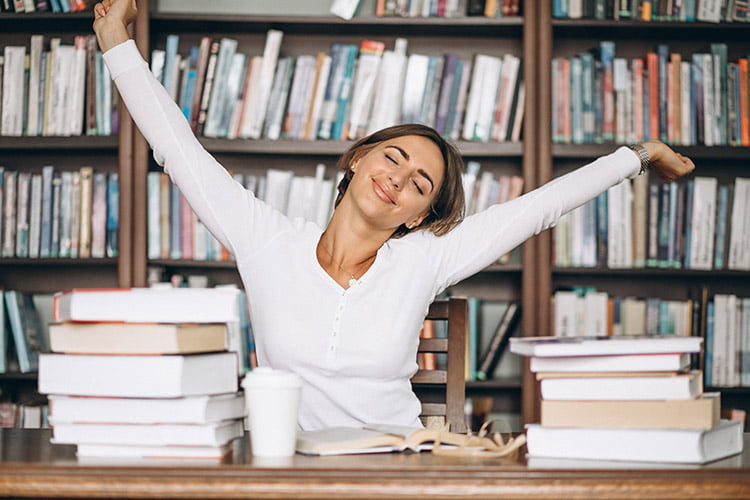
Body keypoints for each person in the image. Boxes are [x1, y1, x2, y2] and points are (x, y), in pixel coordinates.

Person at [92, 0, 695, 431]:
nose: (398, 179)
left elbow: (537, 209)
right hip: (285, 471)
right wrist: (116, 39)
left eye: (419, 184)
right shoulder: (265, 239)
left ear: (416, 215)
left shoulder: (424, 259)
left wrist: (638, 155)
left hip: (399, 469)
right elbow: (181, 153)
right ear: (357, 160)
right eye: (393, 157)